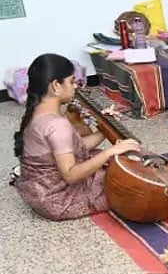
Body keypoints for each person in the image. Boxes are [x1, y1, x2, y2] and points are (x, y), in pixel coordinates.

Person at [12, 54, 140, 221]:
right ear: (56, 85)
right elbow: (71, 175)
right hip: (59, 200)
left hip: (38, 194)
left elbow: (72, 149)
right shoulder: (57, 124)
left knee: (107, 160)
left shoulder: (37, 112)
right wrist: (110, 152)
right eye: (72, 81)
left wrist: (105, 129)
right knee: (130, 183)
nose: (75, 87)